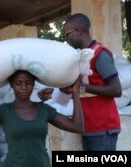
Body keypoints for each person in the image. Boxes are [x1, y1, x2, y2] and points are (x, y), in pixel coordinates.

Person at [0, 66, 83, 167]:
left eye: (28, 83)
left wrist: (75, 93)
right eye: (18, 83)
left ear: (33, 84)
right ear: (11, 85)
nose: (24, 87)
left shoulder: (44, 110)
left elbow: (77, 126)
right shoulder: (4, 111)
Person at [40, 13, 122, 151]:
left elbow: (116, 90)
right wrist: (53, 94)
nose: (66, 39)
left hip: (103, 129)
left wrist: (81, 86)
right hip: (87, 127)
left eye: (67, 34)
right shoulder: (81, 58)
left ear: (79, 31)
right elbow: (81, 91)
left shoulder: (99, 54)